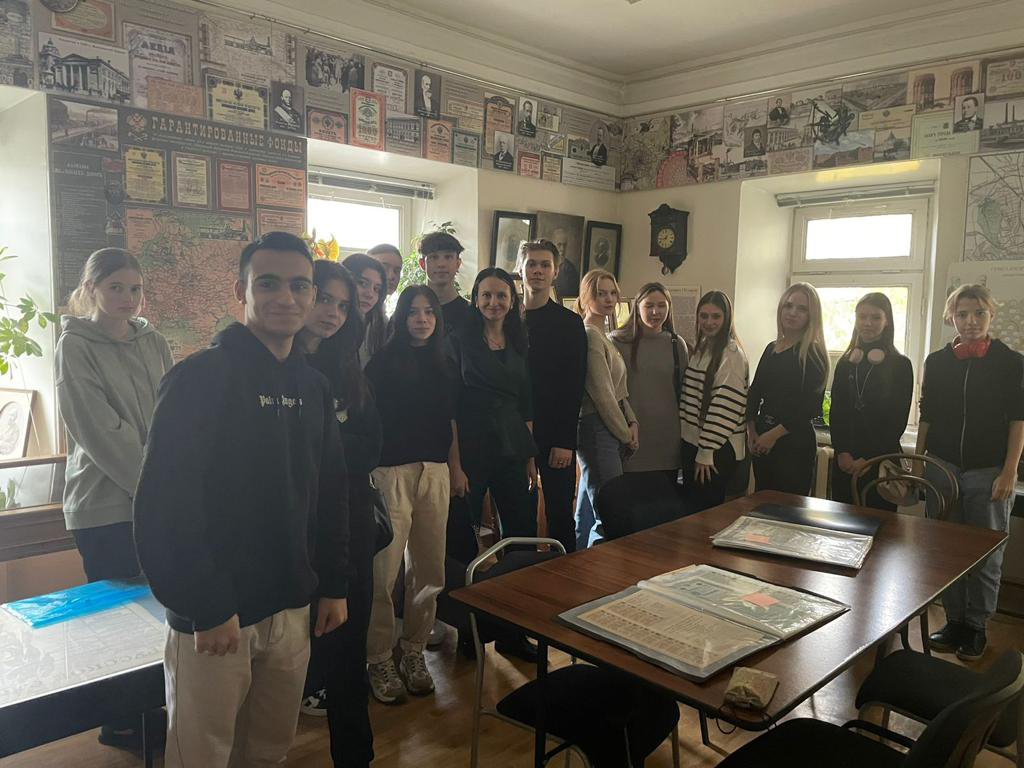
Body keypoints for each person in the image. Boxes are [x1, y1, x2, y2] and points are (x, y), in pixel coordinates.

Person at [134, 232, 350, 768]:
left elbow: (330, 492)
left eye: (299, 285)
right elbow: (166, 506)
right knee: (202, 755)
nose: (286, 298)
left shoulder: (314, 386)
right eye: (268, 283)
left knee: (269, 751)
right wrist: (205, 605)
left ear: (312, 294)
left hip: (292, 605)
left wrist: (334, 583)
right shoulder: (198, 378)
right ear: (241, 291)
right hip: (217, 613)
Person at [55, 247, 173, 751]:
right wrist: (156, 486)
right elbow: (99, 430)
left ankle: (152, 709)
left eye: (135, 288)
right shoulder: (74, 345)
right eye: (115, 287)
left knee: (157, 610)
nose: (128, 298)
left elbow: (172, 410)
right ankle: (120, 721)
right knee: (116, 619)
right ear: (91, 290)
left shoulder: (154, 341)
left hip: (158, 496)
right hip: (103, 503)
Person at [364, 286, 467, 703]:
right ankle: (378, 657)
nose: (421, 319)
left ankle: (413, 650)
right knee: (383, 573)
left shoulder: (446, 363)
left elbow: (452, 420)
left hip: (435, 472)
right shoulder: (382, 362)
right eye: (413, 312)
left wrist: (455, 467)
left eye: (429, 312)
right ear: (401, 317)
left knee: (429, 570)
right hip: (392, 473)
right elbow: (368, 420)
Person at [296, 261, 381, 768]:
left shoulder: (348, 368)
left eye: (343, 305)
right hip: (294, 532)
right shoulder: (279, 366)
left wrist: (327, 454)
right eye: (323, 298)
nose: (331, 312)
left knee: (349, 657)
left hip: (350, 526)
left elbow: (370, 447)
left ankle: (356, 758)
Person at [917, 284, 1023, 662]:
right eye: (962, 314)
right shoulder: (937, 361)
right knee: (945, 551)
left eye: (979, 313)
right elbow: (927, 415)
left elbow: (1018, 420)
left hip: (988, 472)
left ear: (991, 315)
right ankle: (954, 621)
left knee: (985, 555)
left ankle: (976, 626)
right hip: (942, 467)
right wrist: (919, 461)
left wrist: (1009, 471)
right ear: (952, 318)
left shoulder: (1011, 362)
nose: (971, 321)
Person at [451, 268, 537, 539]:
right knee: (464, 530)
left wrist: (529, 457)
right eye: (486, 295)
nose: (493, 302)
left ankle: (518, 568)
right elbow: (450, 408)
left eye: (501, 295)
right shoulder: (458, 341)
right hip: (470, 445)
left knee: (521, 527)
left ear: (511, 301)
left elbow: (526, 403)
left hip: (512, 445)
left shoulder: (519, 341)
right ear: (476, 299)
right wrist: (454, 465)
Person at [519, 240, 588, 553]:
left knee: (559, 513)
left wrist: (565, 441)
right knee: (519, 514)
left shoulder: (569, 323)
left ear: (555, 271)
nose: (538, 271)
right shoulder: (507, 320)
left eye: (545, 265)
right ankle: (519, 575)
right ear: (520, 269)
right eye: (532, 264)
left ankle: (566, 576)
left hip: (555, 433)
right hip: (516, 432)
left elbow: (573, 385)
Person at [829, 293, 914, 510]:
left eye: (875, 317)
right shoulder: (846, 363)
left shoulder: (900, 365)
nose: (867, 323)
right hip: (844, 461)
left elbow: (897, 421)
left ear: (887, 321)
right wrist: (842, 452)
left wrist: (868, 459)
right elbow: (837, 412)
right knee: (840, 521)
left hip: (880, 461)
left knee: (880, 525)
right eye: (862, 317)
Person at [574, 269, 637, 548]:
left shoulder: (604, 336)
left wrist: (633, 422)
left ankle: (576, 559)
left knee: (588, 508)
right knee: (609, 510)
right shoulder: (589, 336)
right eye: (601, 293)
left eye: (612, 293)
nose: (609, 299)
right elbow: (602, 395)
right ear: (586, 297)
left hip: (609, 427)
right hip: (596, 427)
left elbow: (619, 390)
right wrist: (625, 434)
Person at [746, 283, 828, 495]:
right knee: (762, 504)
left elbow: (810, 407)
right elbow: (755, 391)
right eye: (788, 306)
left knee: (790, 508)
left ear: (811, 316)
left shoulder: (813, 354)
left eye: (802, 309)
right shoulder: (771, 349)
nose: (792, 313)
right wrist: (752, 430)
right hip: (761, 438)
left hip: (794, 443)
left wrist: (772, 436)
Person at [610, 282, 686, 482]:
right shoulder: (616, 342)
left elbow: (685, 392)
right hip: (630, 437)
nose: (655, 311)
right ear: (637, 307)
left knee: (664, 497)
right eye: (649, 305)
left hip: (667, 439)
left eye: (661, 305)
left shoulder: (676, 344)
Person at [680, 291, 749, 510]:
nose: (709, 322)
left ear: (726, 318)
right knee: (692, 511)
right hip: (696, 442)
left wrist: (706, 451)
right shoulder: (702, 348)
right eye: (704, 316)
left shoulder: (731, 354)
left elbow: (725, 406)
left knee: (706, 515)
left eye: (716, 316)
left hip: (716, 449)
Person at [418, 230, 471, 336]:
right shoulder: (410, 311)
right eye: (434, 257)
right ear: (422, 264)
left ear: (458, 263)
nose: (441, 264)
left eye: (448, 257)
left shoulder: (471, 313)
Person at [342, 252, 387, 365]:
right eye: (362, 283)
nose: (370, 294)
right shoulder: (327, 324)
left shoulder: (375, 327)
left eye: (376, 289)